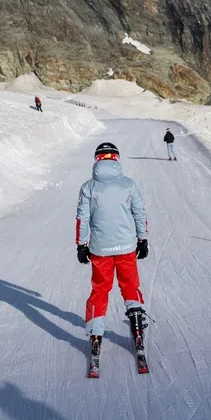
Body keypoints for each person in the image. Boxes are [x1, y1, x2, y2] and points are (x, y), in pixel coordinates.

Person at [75, 142, 149, 360]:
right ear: (117, 159)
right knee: (130, 287)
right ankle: (137, 331)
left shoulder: (88, 187)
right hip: (126, 247)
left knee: (100, 291)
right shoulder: (129, 184)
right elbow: (139, 212)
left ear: (97, 160)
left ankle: (96, 337)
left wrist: (81, 244)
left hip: (100, 249)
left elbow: (82, 218)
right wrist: (142, 239)